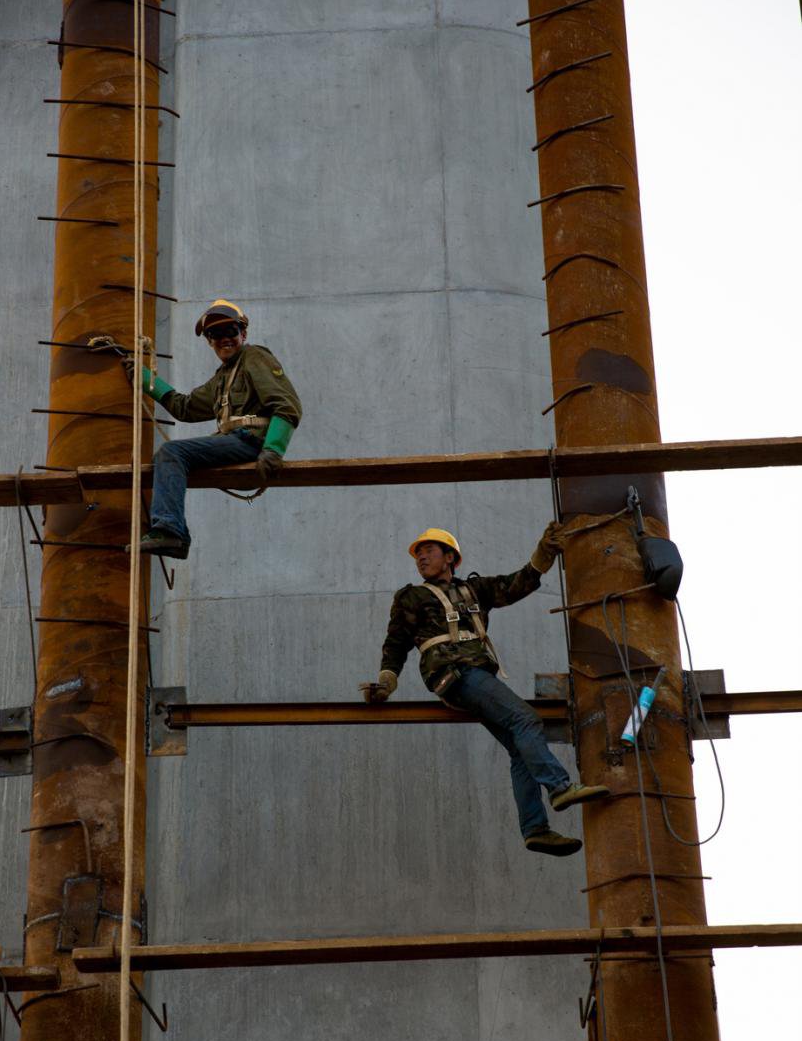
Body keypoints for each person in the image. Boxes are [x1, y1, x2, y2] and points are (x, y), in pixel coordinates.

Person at [361, 527, 609, 856]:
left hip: (473, 677)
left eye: (429, 550)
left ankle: (535, 829)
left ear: (450, 557)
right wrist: (386, 683)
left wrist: (544, 553)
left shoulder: (476, 589)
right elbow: (395, 643)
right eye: (418, 553)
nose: (421, 557)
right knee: (527, 721)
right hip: (455, 674)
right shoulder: (412, 597)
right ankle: (560, 787)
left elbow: (518, 583)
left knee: (520, 748)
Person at [125, 299, 302, 559]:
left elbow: (287, 405)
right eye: (214, 334)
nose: (223, 339)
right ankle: (173, 532)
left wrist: (274, 449)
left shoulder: (254, 357)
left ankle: (170, 531)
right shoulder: (223, 377)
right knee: (172, 455)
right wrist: (147, 380)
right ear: (209, 341)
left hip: (249, 441)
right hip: (234, 441)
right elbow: (185, 407)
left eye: (229, 331)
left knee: (171, 453)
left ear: (243, 333)